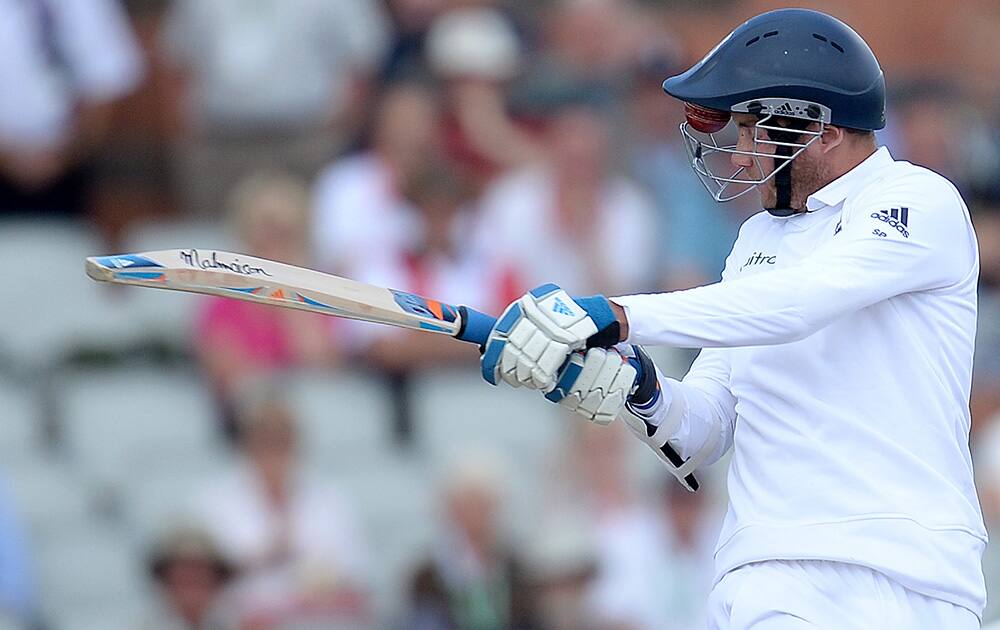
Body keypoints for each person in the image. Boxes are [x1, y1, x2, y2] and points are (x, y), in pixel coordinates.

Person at [466, 8, 986, 628]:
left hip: (921, 575)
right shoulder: (755, 243)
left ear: (820, 129)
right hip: (778, 577)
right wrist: (639, 387)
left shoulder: (917, 201)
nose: (739, 157)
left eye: (752, 131)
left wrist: (613, 315)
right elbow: (705, 431)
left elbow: (799, 304)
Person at [192, 383, 371, 627]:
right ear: (245, 439)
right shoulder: (213, 502)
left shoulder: (331, 498)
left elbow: (356, 574)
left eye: (282, 435)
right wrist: (263, 558)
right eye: (264, 435)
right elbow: (203, 582)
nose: (274, 445)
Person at [142, 524, 237, 630]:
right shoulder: (142, 625)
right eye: (184, 579)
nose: (191, 579)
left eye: (199, 577)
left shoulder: (237, 622)